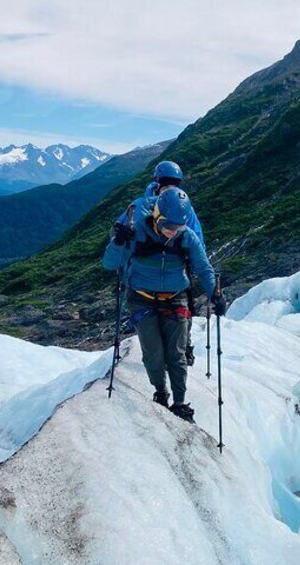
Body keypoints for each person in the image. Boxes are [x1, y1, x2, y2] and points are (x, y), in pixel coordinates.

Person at [102, 187, 226, 422]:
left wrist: (215, 294)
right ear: (157, 215)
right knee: (154, 354)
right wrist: (118, 242)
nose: (172, 232)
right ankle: (161, 391)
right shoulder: (135, 232)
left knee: (176, 354)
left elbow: (203, 267)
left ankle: (179, 403)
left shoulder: (186, 235)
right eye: (168, 226)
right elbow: (109, 264)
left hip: (173, 298)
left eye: (177, 227)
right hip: (142, 298)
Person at [117, 160, 203, 366]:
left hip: (151, 270)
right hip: (172, 267)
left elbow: (120, 231)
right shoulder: (181, 208)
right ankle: (180, 349)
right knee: (181, 308)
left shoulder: (141, 205)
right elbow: (197, 237)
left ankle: (171, 350)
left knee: (160, 310)